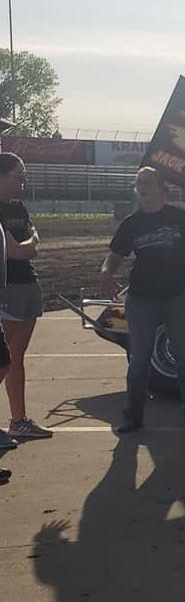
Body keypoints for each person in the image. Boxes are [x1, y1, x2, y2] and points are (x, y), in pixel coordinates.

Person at [99, 167, 185, 432]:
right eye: (139, 183)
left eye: (148, 182)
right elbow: (114, 256)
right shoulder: (132, 223)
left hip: (177, 297)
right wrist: (106, 272)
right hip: (141, 299)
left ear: (162, 187)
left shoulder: (179, 218)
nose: (142, 187)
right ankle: (133, 415)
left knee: (184, 357)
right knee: (139, 358)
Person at [0, 153, 45, 442]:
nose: (23, 182)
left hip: (28, 284)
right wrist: (31, 243)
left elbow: (30, 245)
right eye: (19, 176)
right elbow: (15, 251)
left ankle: (19, 419)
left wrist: (29, 244)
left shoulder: (18, 207)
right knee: (2, 360)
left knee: (16, 359)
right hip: (7, 288)